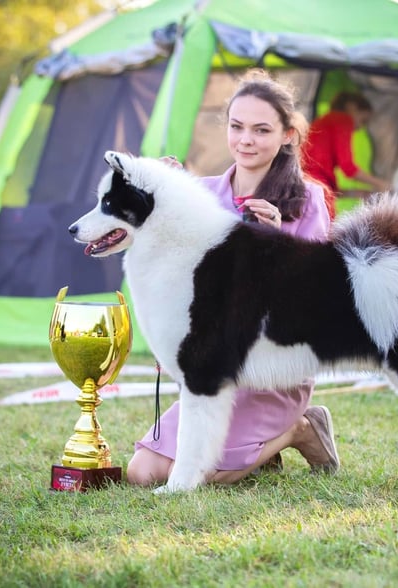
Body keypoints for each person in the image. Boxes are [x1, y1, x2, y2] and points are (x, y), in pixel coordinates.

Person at [126, 69, 338, 487]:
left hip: (271, 370)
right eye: (237, 126)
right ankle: (260, 448)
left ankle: (299, 428)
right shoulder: (199, 194)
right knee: (141, 473)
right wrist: (157, 194)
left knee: (209, 476)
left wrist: (277, 242)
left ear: (288, 135)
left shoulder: (308, 200)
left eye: (261, 130)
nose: (246, 140)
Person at [302, 91, 390, 219]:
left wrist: (355, 193)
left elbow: (323, 184)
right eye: (363, 120)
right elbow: (348, 167)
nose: (360, 128)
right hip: (316, 191)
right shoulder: (343, 119)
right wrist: (381, 184)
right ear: (352, 107)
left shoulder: (324, 122)